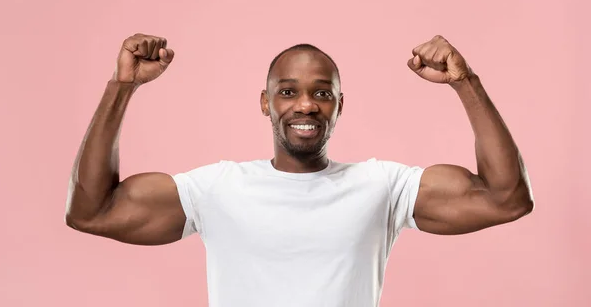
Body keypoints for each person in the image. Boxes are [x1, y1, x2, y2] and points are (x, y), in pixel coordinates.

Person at [65, 33, 534, 307]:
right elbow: (92, 211)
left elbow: (505, 198)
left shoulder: (382, 186)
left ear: (339, 106)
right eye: (287, 92)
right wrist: (122, 86)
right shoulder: (217, 188)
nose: (305, 104)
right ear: (265, 103)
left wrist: (464, 83)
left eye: (322, 93)